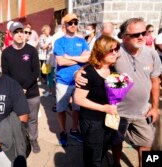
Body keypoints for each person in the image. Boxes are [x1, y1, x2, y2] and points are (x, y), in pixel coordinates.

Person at [75, 18, 161, 167]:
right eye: (136, 34)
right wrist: (79, 72)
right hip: (117, 111)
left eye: (144, 33)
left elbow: (155, 82)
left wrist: (154, 107)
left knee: (147, 142)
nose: (141, 37)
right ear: (125, 36)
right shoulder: (116, 50)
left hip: (143, 111)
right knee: (115, 141)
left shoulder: (152, 54)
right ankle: (116, 164)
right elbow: (95, 61)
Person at [74, 36, 119, 167]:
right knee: (93, 158)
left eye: (117, 49)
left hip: (108, 119)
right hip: (92, 121)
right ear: (101, 51)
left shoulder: (112, 69)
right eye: (112, 50)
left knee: (102, 151)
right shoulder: (88, 72)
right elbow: (78, 99)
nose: (115, 52)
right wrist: (103, 108)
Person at [1, 22, 41, 153]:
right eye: (16, 32)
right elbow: (5, 75)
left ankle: (33, 139)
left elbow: (36, 71)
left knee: (33, 119)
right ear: (11, 34)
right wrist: (18, 89)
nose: (19, 34)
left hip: (32, 93)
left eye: (21, 31)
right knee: (18, 121)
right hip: (14, 94)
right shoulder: (6, 53)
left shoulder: (31, 50)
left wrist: (25, 87)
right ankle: (21, 141)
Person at [53, 13, 90, 147]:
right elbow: (61, 61)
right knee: (61, 109)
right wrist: (78, 58)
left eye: (75, 23)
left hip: (79, 81)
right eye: (70, 23)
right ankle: (63, 131)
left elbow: (88, 59)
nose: (73, 25)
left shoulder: (82, 41)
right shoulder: (59, 42)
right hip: (63, 81)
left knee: (77, 108)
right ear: (65, 25)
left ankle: (74, 129)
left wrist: (70, 57)